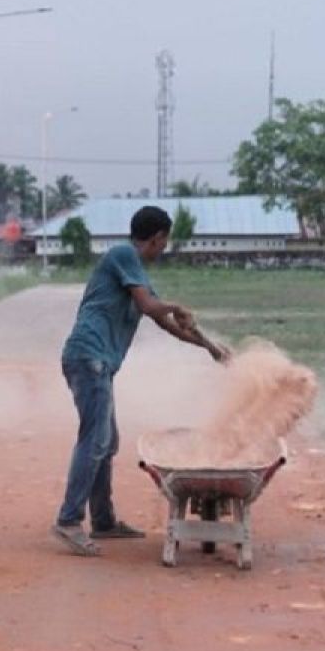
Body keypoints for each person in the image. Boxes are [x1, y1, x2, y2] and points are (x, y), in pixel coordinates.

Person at [53, 205, 229, 557]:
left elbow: (165, 322)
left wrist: (209, 346)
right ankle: (69, 520)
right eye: (165, 241)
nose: (164, 248)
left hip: (98, 363)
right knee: (96, 439)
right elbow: (152, 308)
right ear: (158, 237)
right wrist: (175, 305)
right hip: (89, 357)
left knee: (107, 440)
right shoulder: (123, 254)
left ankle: (103, 521)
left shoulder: (137, 274)